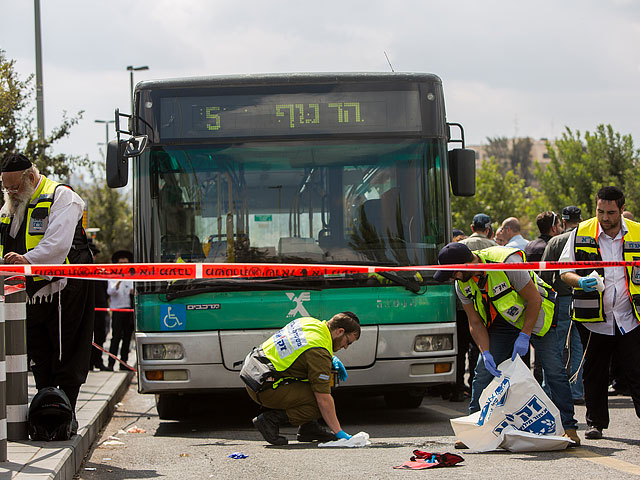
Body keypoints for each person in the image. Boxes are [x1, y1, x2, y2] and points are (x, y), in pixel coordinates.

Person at [434, 242, 580, 446]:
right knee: (483, 372)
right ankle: (474, 430)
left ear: (466, 265)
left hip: (536, 317)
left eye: (452, 273)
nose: (451, 278)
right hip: (503, 323)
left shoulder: (506, 263)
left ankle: (569, 427)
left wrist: (525, 335)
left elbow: (534, 300)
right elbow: (474, 322)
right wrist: (485, 353)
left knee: (554, 370)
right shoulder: (462, 285)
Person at [0, 153, 94, 433]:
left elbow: (57, 243)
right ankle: (45, 410)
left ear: (30, 177)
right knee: (38, 353)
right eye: (6, 188)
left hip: (66, 289)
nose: (11, 193)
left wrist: (27, 260)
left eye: (14, 187)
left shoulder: (62, 196)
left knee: (66, 352)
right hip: (29, 293)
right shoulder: (9, 206)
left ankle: (66, 412)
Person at [560, 186, 640, 440]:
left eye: (611, 212)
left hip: (630, 317)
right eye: (600, 211)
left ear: (621, 210)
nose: (605, 218)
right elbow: (564, 270)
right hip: (594, 320)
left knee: (637, 372)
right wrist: (579, 281)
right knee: (594, 373)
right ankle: (595, 423)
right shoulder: (580, 233)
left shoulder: (637, 232)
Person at [242, 312, 360, 445]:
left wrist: (330, 358)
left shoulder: (310, 323)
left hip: (256, 374)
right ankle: (270, 420)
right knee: (321, 401)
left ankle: (309, 428)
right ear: (340, 331)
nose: (345, 347)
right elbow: (323, 399)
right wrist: (340, 434)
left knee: (321, 382)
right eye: (348, 342)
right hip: (265, 388)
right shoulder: (319, 353)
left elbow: (301, 347)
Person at [540, 206, 584, 404]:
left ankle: (549, 391)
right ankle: (576, 391)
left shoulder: (556, 241)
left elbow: (544, 275)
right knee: (579, 347)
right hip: (584, 299)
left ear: (563, 222)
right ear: (580, 219)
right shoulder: (587, 239)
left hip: (562, 300)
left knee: (555, 348)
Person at [106, 250, 135, 371]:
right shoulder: (112, 277)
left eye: (125, 263)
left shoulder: (132, 277)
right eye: (121, 263)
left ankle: (124, 363)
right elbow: (111, 292)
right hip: (117, 310)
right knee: (116, 337)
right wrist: (119, 280)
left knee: (127, 338)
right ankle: (111, 363)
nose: (123, 265)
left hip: (129, 311)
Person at [88, 239, 110, 371]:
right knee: (87, 337)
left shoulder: (100, 272)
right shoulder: (80, 271)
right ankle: (88, 362)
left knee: (100, 336)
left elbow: (106, 290)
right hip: (87, 309)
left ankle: (98, 360)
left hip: (100, 309)